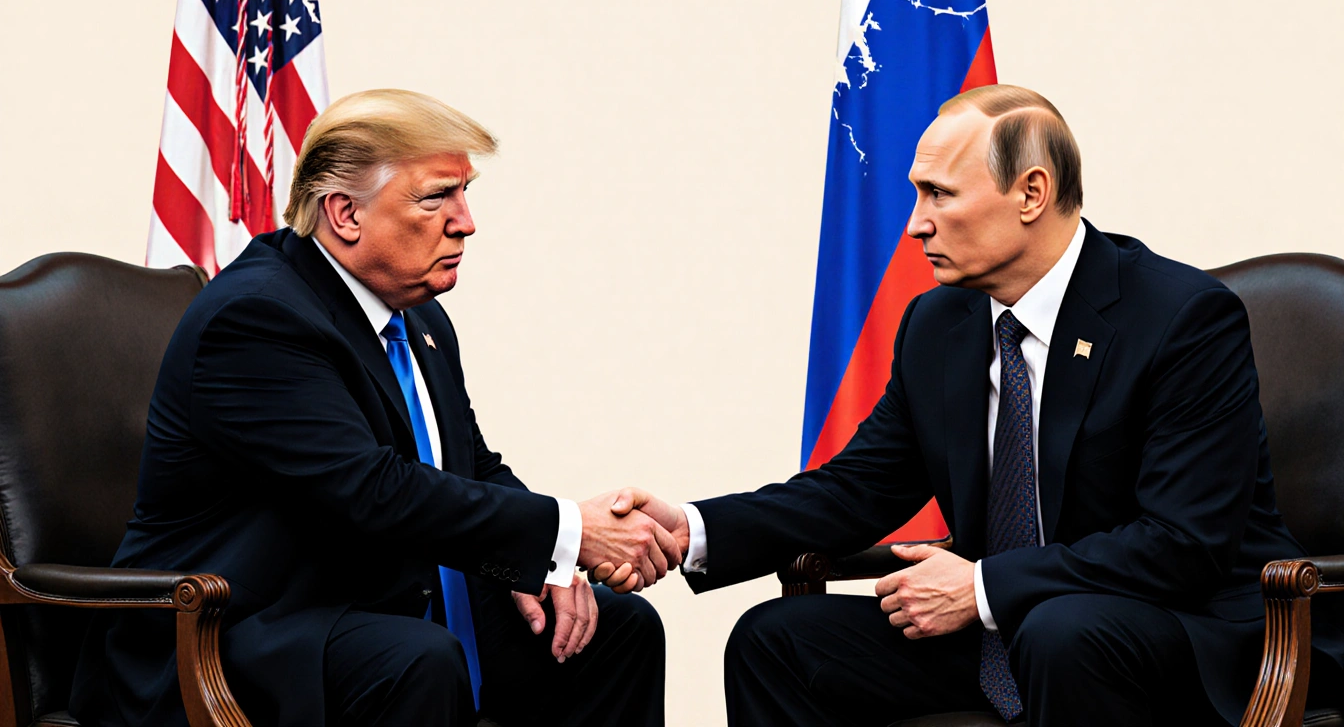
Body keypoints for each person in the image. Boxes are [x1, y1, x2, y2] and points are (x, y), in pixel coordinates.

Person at [595, 84, 1344, 725]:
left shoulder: (1181, 318)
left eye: (939, 194)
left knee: (1063, 632)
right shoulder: (939, 324)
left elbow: (1183, 544)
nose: (915, 223)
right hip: (1018, 627)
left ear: (1031, 193)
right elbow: (857, 487)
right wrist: (692, 528)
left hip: (1188, 633)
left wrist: (982, 586)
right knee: (779, 637)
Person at [70, 89, 679, 727]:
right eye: (436, 196)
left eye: (465, 192)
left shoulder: (419, 320)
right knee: (418, 658)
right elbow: (373, 490)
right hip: (234, 631)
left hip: (368, 603)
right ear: (345, 214)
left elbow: (469, 466)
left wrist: (539, 563)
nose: (466, 220)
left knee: (615, 631)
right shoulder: (256, 318)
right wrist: (568, 530)